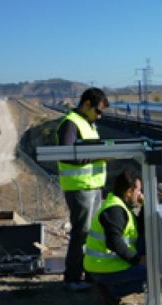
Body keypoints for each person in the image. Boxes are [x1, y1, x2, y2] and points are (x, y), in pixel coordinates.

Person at [56, 87, 109, 291]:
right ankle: (72, 278)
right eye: (98, 111)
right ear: (87, 104)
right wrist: (99, 156)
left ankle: (89, 273)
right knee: (81, 232)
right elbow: (66, 154)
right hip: (80, 187)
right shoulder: (71, 124)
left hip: (93, 185)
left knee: (92, 233)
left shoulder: (89, 124)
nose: (100, 116)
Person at [84, 169, 146, 305]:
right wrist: (138, 260)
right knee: (155, 277)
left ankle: (109, 285)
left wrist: (145, 204)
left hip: (106, 264)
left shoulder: (120, 205)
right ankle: (112, 290)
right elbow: (114, 243)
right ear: (129, 192)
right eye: (138, 191)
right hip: (104, 267)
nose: (140, 195)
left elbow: (140, 228)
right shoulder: (115, 211)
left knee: (153, 272)